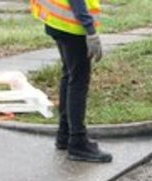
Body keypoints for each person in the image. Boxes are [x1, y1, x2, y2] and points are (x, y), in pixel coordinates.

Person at [30, 0, 112, 163]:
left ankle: (65, 134)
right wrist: (90, 30)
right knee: (78, 80)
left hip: (56, 21)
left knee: (69, 74)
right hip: (72, 26)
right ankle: (78, 142)